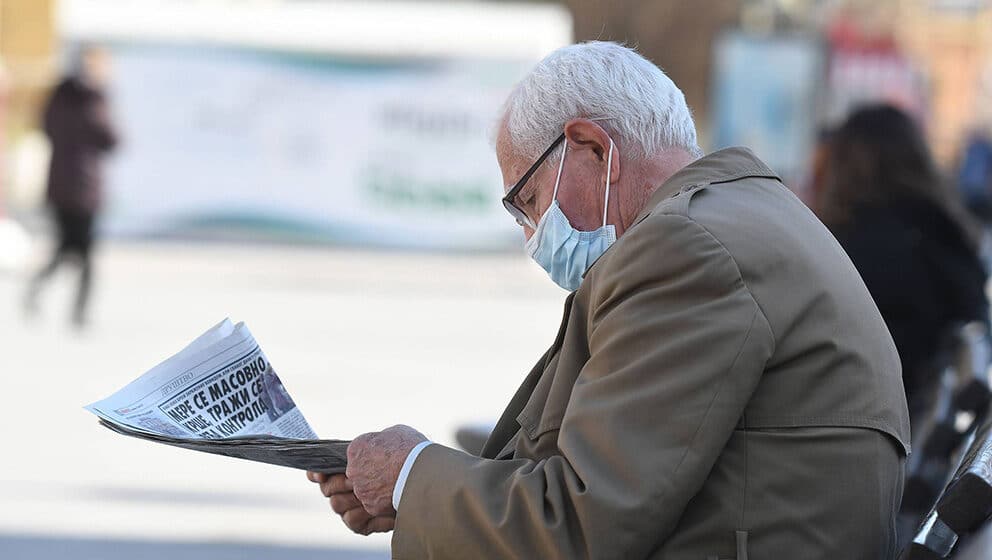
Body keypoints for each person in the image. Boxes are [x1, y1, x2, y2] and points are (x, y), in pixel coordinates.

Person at [308, 42, 910, 558]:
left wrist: (412, 477)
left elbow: (579, 525)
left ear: (593, 148)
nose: (530, 234)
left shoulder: (684, 249)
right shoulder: (738, 217)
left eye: (527, 199)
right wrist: (409, 490)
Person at [812, 105, 989, 423]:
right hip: (908, 416)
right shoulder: (943, 231)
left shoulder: (859, 247)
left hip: (865, 422)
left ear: (847, 165)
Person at [25, 45, 118, 327]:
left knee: (69, 248)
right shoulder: (92, 98)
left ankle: (43, 293)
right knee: (81, 250)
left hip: (60, 184)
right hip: (83, 186)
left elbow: (44, 125)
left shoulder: (59, 93)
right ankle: (78, 311)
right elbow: (111, 138)